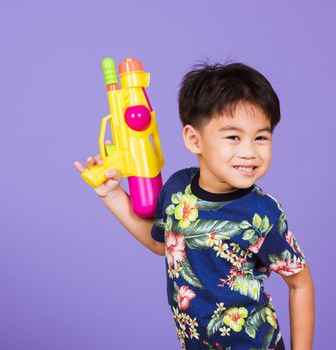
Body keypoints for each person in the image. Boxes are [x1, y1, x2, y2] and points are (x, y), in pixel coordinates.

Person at [74, 62, 315, 350]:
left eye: (261, 137)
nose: (249, 151)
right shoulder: (178, 190)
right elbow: (162, 245)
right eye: (233, 137)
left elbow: (300, 283)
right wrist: (112, 195)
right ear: (193, 139)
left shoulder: (262, 213)